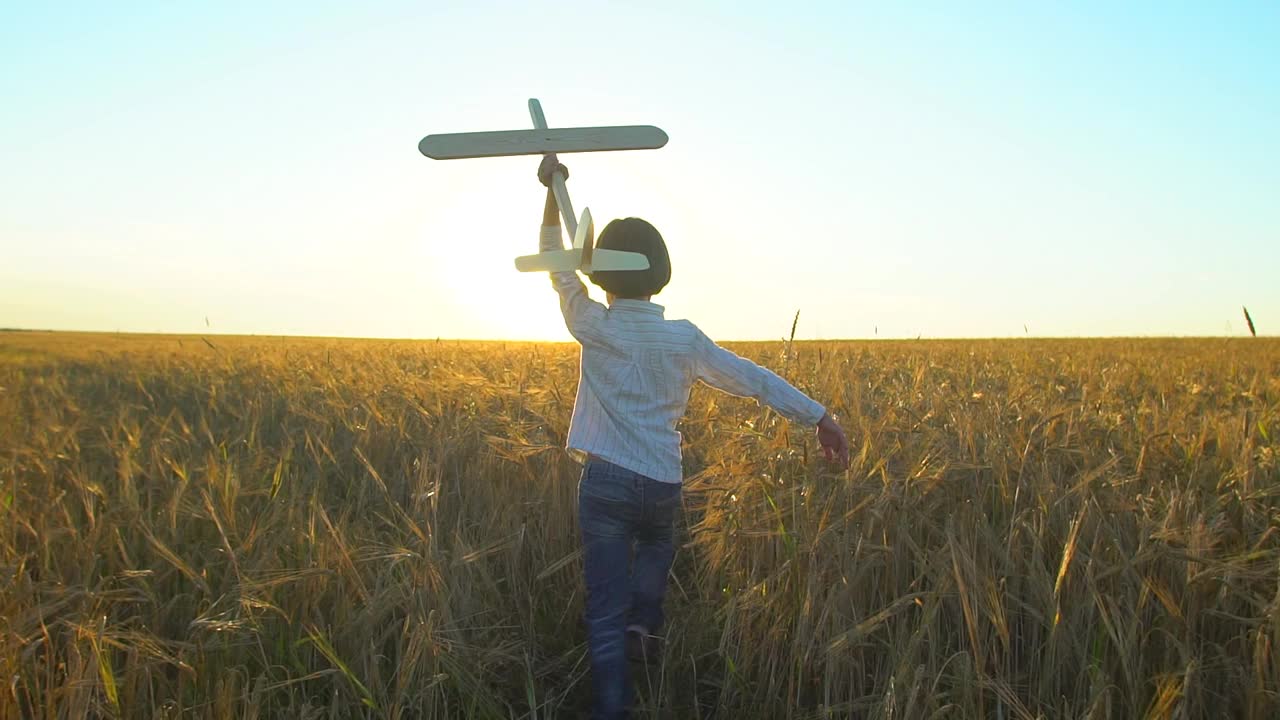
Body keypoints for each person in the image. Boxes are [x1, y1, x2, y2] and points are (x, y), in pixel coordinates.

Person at [535, 155, 850, 719]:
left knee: (602, 603)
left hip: (605, 479)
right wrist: (819, 416)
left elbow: (559, 266)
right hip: (661, 479)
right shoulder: (685, 339)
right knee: (657, 546)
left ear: (601, 274)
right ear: (661, 272)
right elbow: (753, 379)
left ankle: (612, 708)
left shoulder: (591, 324)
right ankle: (645, 620)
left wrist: (549, 191)